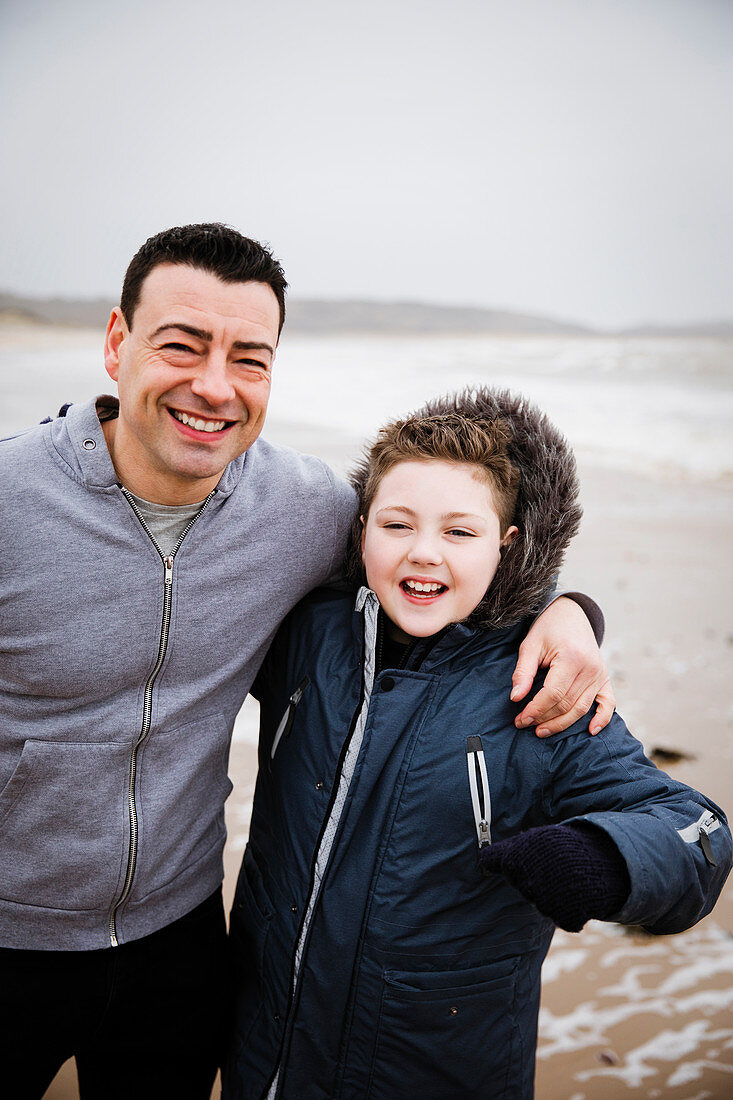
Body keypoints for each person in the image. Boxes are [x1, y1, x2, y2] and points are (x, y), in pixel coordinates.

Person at [0, 224, 609, 1100]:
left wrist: (569, 608)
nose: (214, 385)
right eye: (182, 345)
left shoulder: (309, 510)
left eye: (249, 357)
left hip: (179, 942)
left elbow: (433, 564)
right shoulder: (15, 498)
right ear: (115, 344)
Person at [224, 386, 731, 1100]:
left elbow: (696, 831)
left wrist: (604, 857)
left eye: (459, 533)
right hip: (265, 1056)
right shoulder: (308, 635)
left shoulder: (539, 689)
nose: (423, 553)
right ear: (360, 528)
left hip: (435, 1067)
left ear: (508, 542)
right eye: (397, 524)